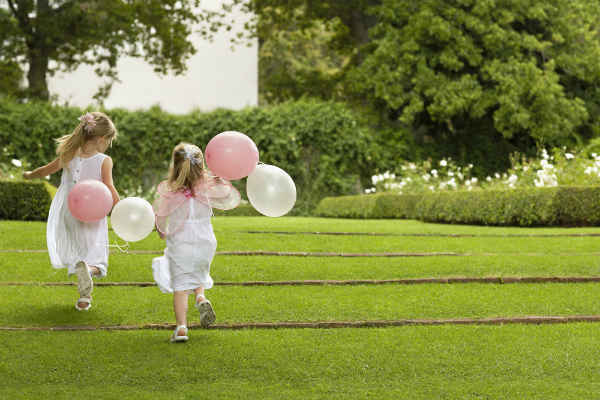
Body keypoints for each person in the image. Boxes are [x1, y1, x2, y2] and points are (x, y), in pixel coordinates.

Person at [23, 112, 119, 311]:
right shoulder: (104, 160)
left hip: (70, 208)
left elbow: (45, 171)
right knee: (96, 255)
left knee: (77, 250)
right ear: (101, 139)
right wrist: (121, 207)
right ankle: (89, 275)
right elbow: (109, 187)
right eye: (109, 140)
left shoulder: (69, 153)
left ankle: (85, 296)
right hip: (93, 211)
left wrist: (29, 175)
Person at [152, 142, 240, 342]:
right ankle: (201, 297)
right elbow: (226, 194)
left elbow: (160, 217)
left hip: (181, 244)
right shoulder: (206, 189)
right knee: (198, 273)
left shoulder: (171, 191)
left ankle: (182, 328)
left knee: (181, 286)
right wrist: (218, 180)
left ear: (175, 166)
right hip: (205, 243)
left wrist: (161, 232)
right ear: (201, 167)